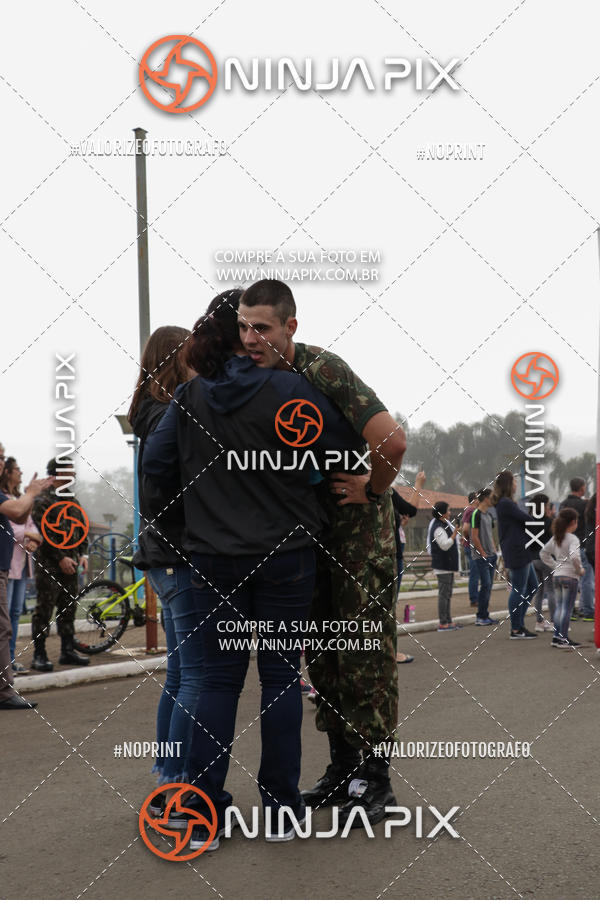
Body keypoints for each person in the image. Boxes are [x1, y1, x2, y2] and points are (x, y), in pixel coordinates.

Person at [143, 292, 367, 848]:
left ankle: (200, 814)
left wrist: (190, 524)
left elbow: (155, 470)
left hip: (212, 560)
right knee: (279, 679)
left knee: (215, 681)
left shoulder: (191, 397)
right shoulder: (296, 392)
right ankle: (282, 810)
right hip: (288, 558)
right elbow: (347, 450)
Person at [237, 279, 406, 826]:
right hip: (308, 540)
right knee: (324, 657)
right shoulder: (254, 380)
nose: (250, 337)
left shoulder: (322, 370)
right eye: (243, 326)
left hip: (358, 541)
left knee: (364, 655)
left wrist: (374, 490)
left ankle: (376, 777)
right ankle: (342, 767)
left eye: (261, 327)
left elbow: (391, 439)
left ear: (290, 326)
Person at [128, 321, 201, 804]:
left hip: (162, 554)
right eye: (191, 355)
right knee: (194, 674)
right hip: (175, 553)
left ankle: (166, 771)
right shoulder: (167, 414)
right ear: (174, 357)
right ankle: (178, 781)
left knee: (179, 673)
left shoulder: (149, 410)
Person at [0, 440, 51, 710]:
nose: (5, 464)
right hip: (8, 566)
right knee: (4, 626)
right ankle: (4, 688)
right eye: (2, 459)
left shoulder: (12, 497)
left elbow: (23, 522)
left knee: (12, 619)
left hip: (13, 565)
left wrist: (28, 496)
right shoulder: (7, 498)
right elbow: (19, 517)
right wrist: (31, 493)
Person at [30, 459, 90, 671]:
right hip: (49, 564)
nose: (73, 472)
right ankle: (39, 654)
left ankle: (67, 650)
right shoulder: (43, 499)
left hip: (72, 563)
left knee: (68, 607)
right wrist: (60, 558)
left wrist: (83, 554)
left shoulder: (71, 500)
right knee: (44, 609)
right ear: (57, 473)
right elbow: (41, 533)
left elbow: (82, 528)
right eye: (69, 469)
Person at [0, 458, 42, 672]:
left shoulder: (18, 498)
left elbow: (34, 529)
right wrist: (28, 533)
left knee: (16, 613)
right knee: (5, 618)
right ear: (8, 472)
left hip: (23, 564)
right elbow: (16, 529)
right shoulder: (7, 501)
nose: (20, 472)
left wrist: (34, 539)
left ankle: (11, 659)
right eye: (17, 469)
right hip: (9, 564)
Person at [492, 471, 538, 640]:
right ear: (508, 484)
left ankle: (519, 623)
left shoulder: (507, 503)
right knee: (519, 588)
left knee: (532, 585)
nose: (516, 484)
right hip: (516, 549)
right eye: (514, 481)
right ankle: (516, 628)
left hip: (520, 548)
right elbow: (526, 519)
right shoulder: (506, 503)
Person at [392, 471, 426, 664]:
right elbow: (412, 509)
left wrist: (398, 523)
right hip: (388, 557)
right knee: (388, 606)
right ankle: (391, 652)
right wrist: (418, 484)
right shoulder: (382, 489)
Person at [540, 508, 584, 648]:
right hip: (570, 577)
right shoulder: (573, 539)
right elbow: (575, 556)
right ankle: (563, 638)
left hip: (557, 576)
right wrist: (579, 570)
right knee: (567, 608)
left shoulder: (556, 537)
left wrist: (555, 566)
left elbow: (543, 553)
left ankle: (556, 636)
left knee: (560, 607)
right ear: (573, 522)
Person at [559, 477, 595, 621]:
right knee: (586, 579)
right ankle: (587, 611)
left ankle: (571, 611)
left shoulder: (563, 504)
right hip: (581, 545)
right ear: (581, 488)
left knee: (569, 580)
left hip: (563, 546)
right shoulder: (584, 505)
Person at [427, 502, 460, 631]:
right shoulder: (438, 528)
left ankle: (448, 621)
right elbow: (445, 545)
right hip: (442, 566)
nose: (450, 513)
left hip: (447, 566)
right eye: (448, 510)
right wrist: (455, 533)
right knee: (444, 595)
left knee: (447, 594)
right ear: (442, 513)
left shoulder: (444, 525)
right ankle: (443, 622)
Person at [469, 489, 500, 626]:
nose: (493, 499)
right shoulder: (476, 514)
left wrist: (494, 551)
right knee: (486, 584)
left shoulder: (488, 515)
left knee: (489, 586)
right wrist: (482, 553)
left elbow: (490, 535)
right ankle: (480, 617)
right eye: (491, 497)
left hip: (491, 555)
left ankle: (485, 615)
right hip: (481, 556)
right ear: (486, 498)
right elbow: (474, 536)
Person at [528, 493, 555, 632]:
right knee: (551, 590)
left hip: (533, 559)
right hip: (546, 559)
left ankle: (539, 622)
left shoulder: (529, 520)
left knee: (539, 591)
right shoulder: (548, 521)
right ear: (543, 506)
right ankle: (553, 621)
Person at [461, 491, 480, 605]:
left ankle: (475, 597)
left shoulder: (470, 511)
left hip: (469, 546)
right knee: (474, 573)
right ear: (474, 500)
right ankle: (474, 599)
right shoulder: (471, 511)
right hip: (471, 546)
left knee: (475, 573)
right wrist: (469, 539)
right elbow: (465, 529)